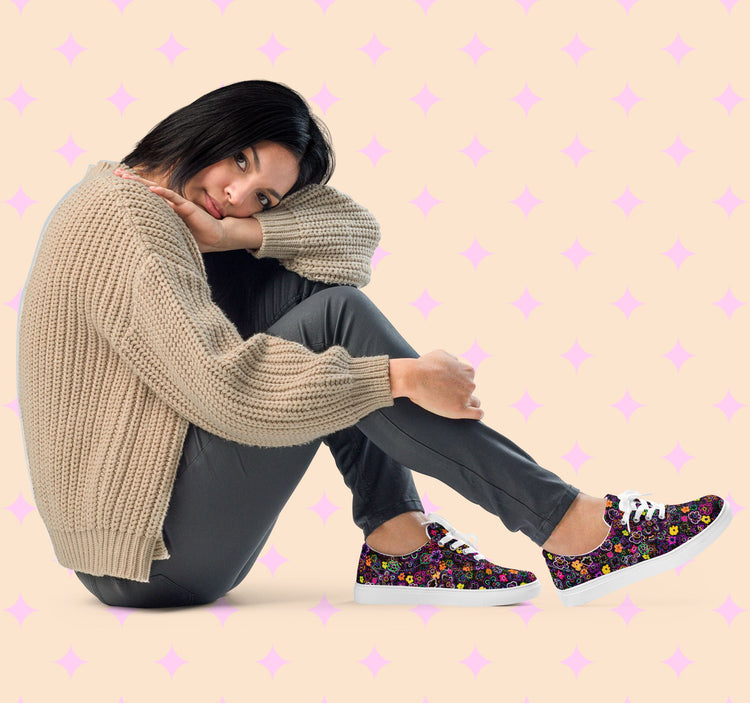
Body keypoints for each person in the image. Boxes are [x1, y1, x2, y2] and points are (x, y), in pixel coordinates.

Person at [16, 80, 732, 610]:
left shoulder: (168, 208)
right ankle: (572, 526)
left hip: (161, 528)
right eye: (236, 162)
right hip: (148, 556)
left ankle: (401, 543)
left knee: (329, 303)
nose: (236, 194)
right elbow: (226, 393)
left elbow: (353, 237)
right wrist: (398, 378)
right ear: (200, 127)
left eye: (263, 196)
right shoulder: (130, 229)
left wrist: (247, 235)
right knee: (339, 324)